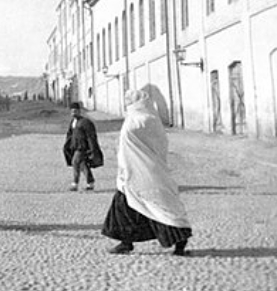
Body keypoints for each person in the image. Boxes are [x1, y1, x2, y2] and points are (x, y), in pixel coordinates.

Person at [102, 89, 193, 256]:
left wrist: (124, 169)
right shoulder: (153, 120)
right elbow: (161, 146)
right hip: (155, 170)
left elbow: (125, 149)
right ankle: (178, 243)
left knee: (127, 206)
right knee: (161, 205)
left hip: (135, 172)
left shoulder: (133, 122)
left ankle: (126, 242)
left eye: (129, 101)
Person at [62, 101, 104, 191]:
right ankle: (90, 182)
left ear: (79, 111)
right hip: (75, 147)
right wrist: (67, 146)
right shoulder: (73, 122)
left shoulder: (85, 122)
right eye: (72, 111)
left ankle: (75, 184)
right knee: (83, 165)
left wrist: (92, 149)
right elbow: (70, 135)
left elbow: (91, 136)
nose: (73, 113)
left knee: (75, 162)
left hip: (82, 148)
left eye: (75, 111)